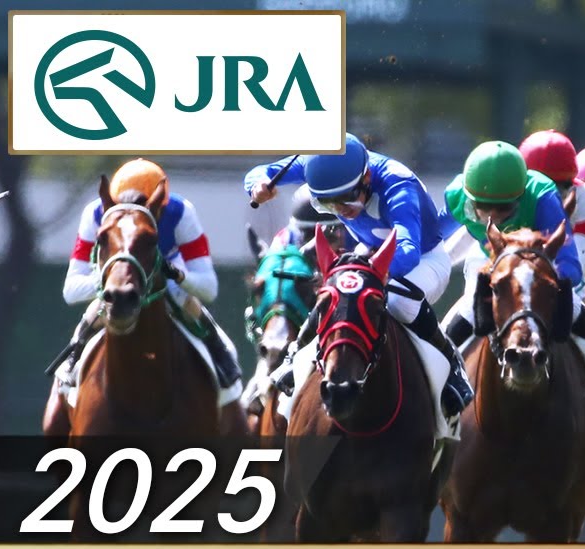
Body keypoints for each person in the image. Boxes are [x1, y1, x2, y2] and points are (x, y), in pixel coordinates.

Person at [245, 132, 474, 418]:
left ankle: (452, 367)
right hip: (370, 253)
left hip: (424, 260)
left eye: (346, 201)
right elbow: (260, 172)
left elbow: (408, 250)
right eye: (328, 205)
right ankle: (294, 356)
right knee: (335, 295)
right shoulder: (318, 163)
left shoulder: (397, 185)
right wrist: (258, 185)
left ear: (366, 178)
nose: (340, 211)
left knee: (399, 303)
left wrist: (372, 273)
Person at [438, 140, 585, 404]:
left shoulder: (543, 196)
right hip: (489, 258)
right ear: (469, 196)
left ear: (521, 193)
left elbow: (570, 262)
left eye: (504, 209)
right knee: (466, 311)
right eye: (483, 208)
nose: (494, 216)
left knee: (574, 305)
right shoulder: (455, 196)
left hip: (537, 263)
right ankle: (442, 376)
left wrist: (545, 276)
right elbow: (431, 236)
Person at [54, 158, 242, 392]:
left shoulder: (181, 211)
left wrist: (179, 276)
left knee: (180, 296)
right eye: (124, 208)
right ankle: (74, 354)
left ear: (160, 205)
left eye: (145, 208)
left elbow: (209, 288)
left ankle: (219, 351)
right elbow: (71, 290)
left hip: (167, 273)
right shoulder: (95, 214)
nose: (132, 215)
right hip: (115, 277)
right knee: (100, 304)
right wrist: (111, 281)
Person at [519, 130, 585, 273]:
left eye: (557, 186)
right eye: (537, 185)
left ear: (570, 183)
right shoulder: (508, 193)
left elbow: (577, 265)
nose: (548, 194)